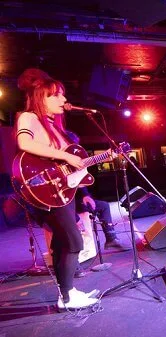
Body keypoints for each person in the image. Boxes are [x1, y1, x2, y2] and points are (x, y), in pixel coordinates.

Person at [14, 68, 98, 310]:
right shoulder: (28, 117)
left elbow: (67, 164)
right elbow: (24, 142)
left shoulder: (56, 129)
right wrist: (65, 156)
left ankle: (67, 294)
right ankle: (68, 296)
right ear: (42, 97)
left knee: (64, 242)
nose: (64, 100)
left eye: (63, 95)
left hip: (63, 191)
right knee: (73, 241)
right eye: (57, 95)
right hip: (46, 191)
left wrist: (81, 168)